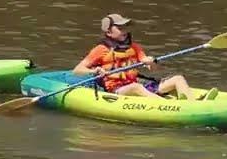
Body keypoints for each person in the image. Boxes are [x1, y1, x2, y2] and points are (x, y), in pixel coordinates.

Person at [72, 13, 207, 99]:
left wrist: (151, 62)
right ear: (108, 32)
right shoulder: (100, 50)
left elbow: (153, 70)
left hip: (135, 84)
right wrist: (95, 70)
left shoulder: (134, 47)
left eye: (125, 27)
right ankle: (170, 106)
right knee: (136, 87)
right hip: (116, 90)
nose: (124, 30)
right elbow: (77, 70)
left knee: (178, 78)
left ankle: (193, 103)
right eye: (120, 28)